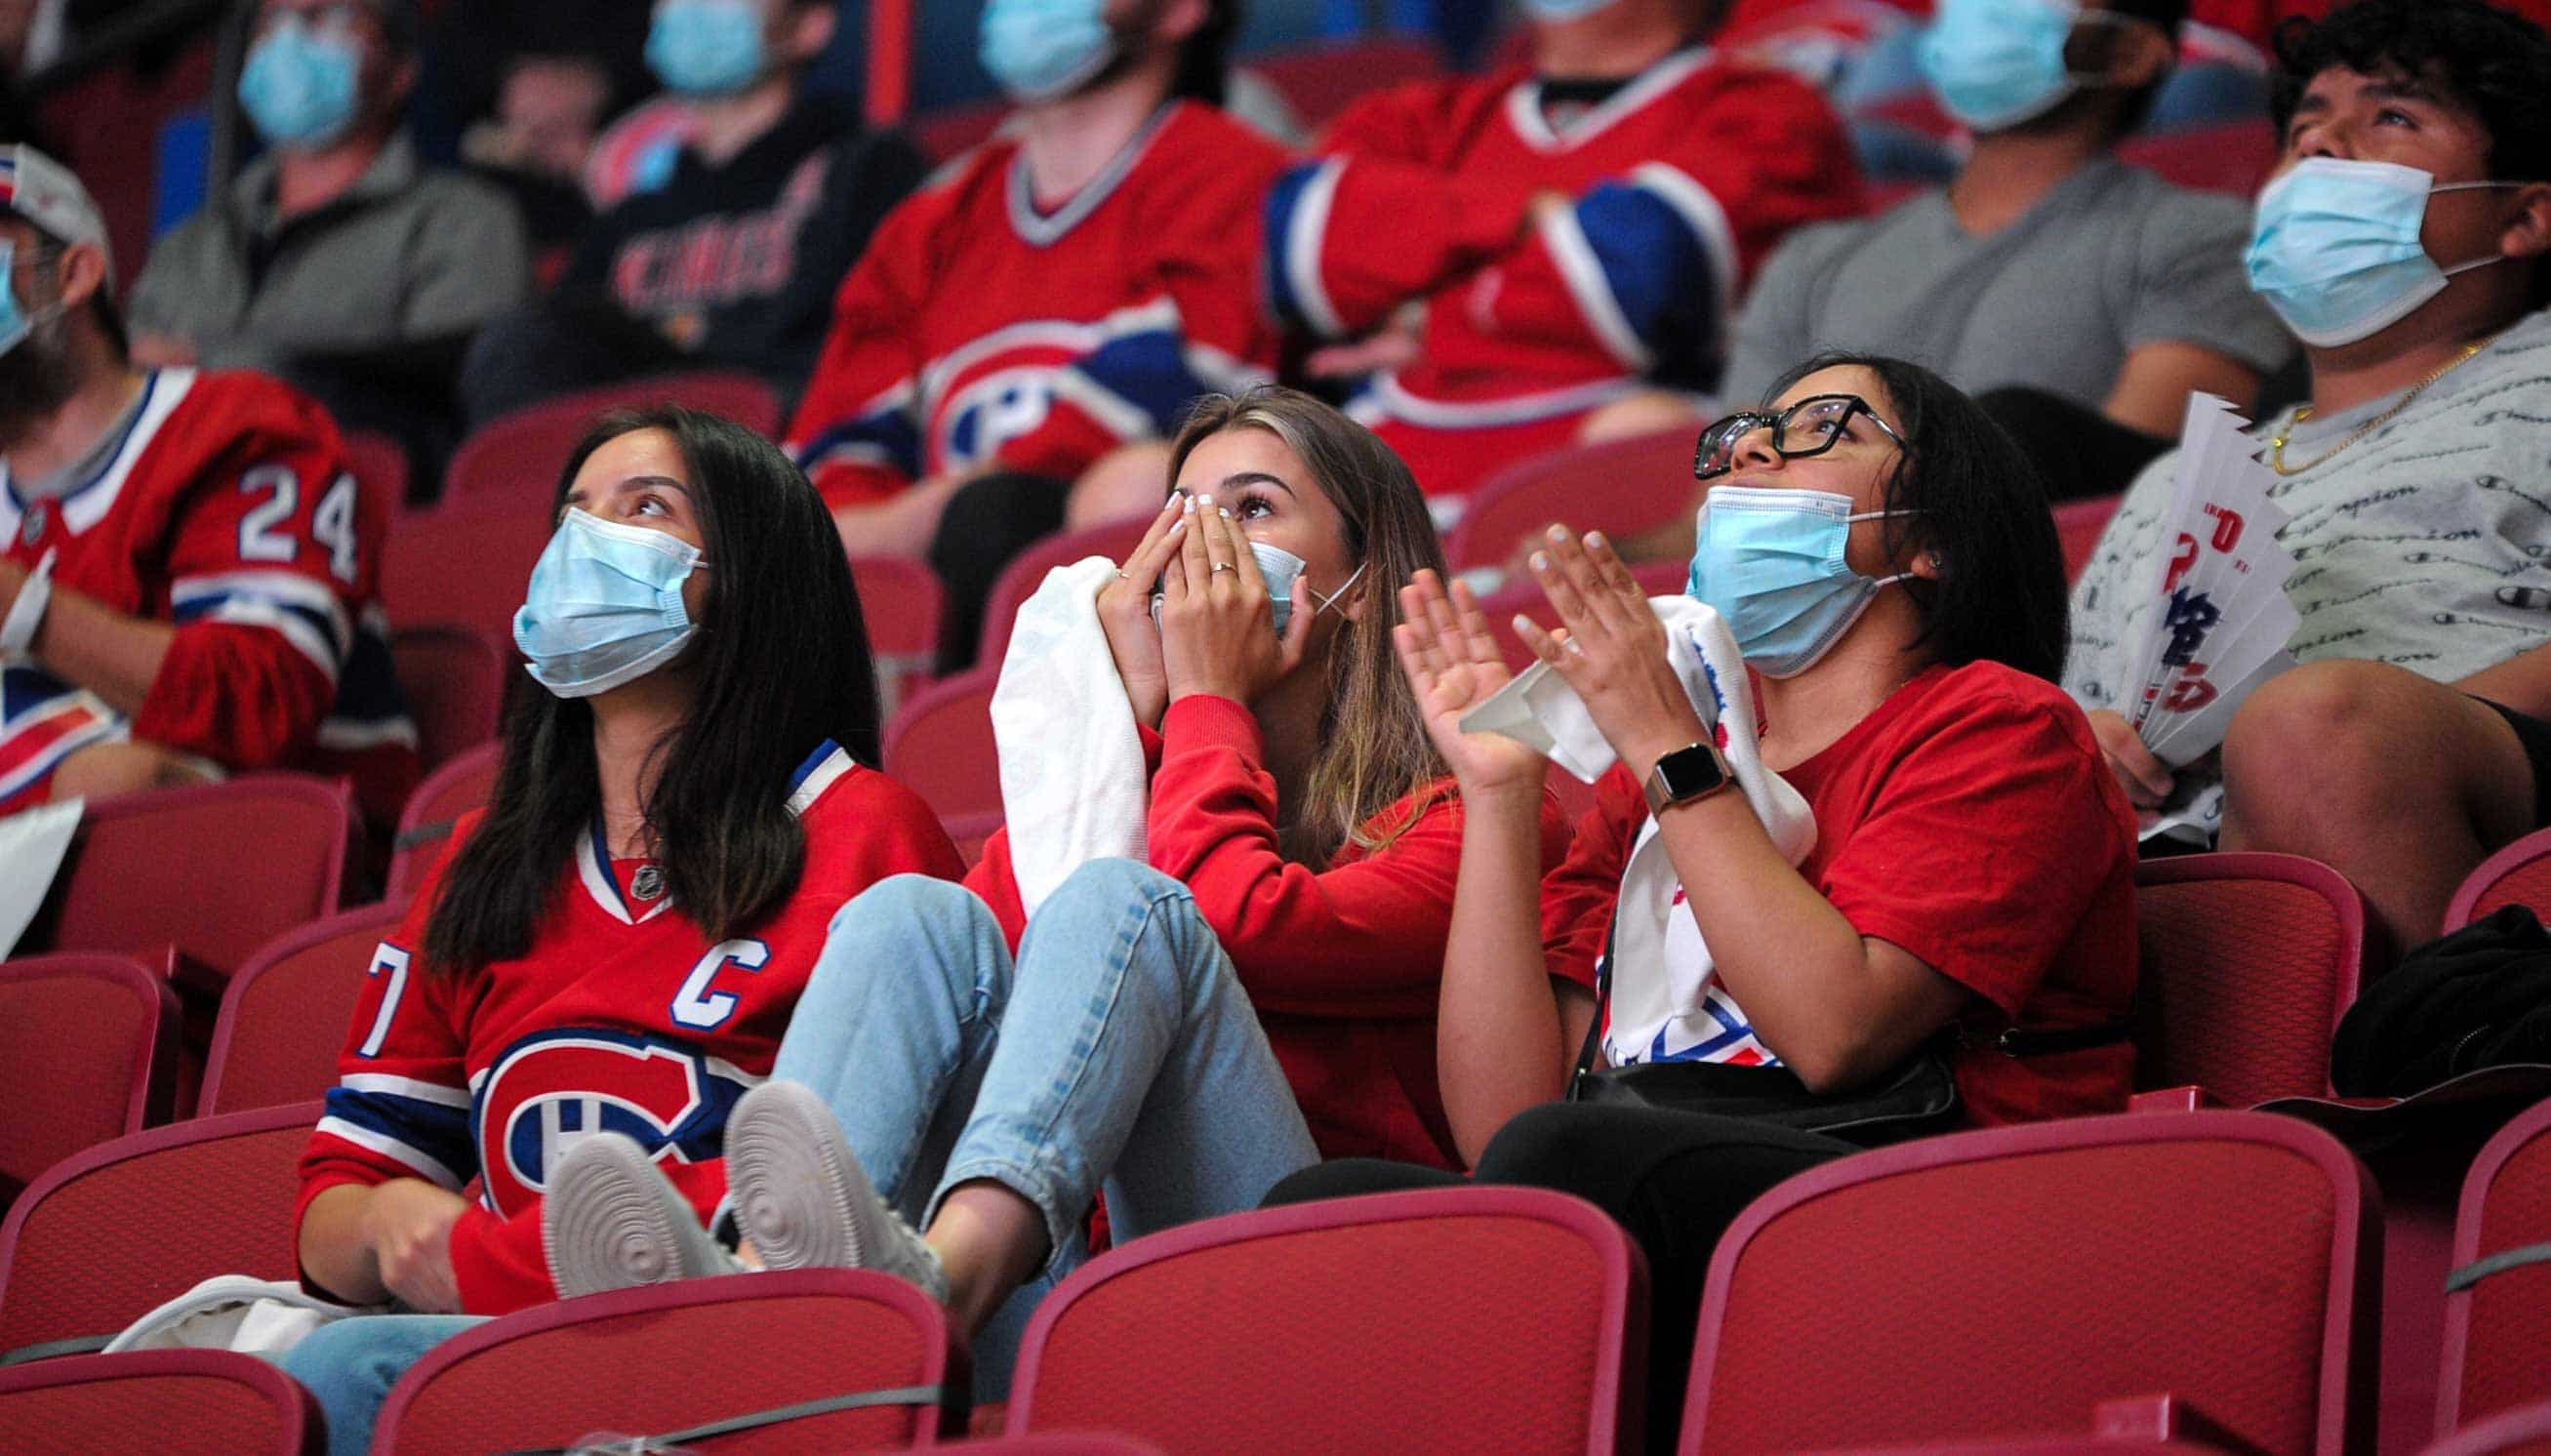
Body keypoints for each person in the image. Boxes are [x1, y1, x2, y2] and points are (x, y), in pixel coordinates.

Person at [535, 386, 1571, 1389]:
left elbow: (1231, 919)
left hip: (1306, 1301)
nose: (1200, 546)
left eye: (1252, 508)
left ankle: (932, 1286)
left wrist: (1204, 698)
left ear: (1364, 582)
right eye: (1180, 513)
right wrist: (1129, 724)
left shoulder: (1467, 813)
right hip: (1083, 1288)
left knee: (1126, 904)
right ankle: (759, 1288)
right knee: (917, 916)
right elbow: (1013, 958)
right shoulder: (1150, 775)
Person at [1273, 352, 2141, 1448]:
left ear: (1934, 543)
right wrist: (1500, 792)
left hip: (1943, 1208)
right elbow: (1502, 1121)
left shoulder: (2000, 727)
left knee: (1565, 1164)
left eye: (1825, 426)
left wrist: (1666, 745)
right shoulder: (1652, 777)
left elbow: (1837, 1031)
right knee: (1319, 1211)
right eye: (1743, 433)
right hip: (1661, 1175)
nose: (1755, 449)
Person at [277, 404, 962, 1455]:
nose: (588, 541)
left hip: (769, 1340)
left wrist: (514, 1253)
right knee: (323, 1378)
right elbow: (336, 1201)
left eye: (644, 509)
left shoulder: (862, 826)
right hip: (534, 1349)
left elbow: (878, 1174)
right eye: (573, 517)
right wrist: (382, 1225)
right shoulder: (477, 865)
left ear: (749, 573)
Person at [2067, 0, 2551, 956]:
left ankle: (2448, 1047)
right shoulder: (2176, 482)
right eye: (2302, 129)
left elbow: (2325, 729)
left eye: (2391, 116)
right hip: (2179, 856)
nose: (2323, 144)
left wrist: (2326, 736)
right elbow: (2084, 715)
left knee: (2309, 724)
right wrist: (2090, 752)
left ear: (2524, 215)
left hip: (2461, 774)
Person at [783, 0, 1289, 667]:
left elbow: (1186, 384)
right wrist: (888, 523)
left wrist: (944, 510)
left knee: (1089, 494)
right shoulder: (927, 226)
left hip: (1121, 588)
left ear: (1180, 11)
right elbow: (839, 456)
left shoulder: (1235, 172)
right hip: (951, 571)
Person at [1237, 0, 1862, 513]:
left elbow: (1640, 282)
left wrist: (1431, 306)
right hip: (1397, 438)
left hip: (1616, 457)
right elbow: (1299, 242)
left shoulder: (1768, 108)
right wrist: (1533, 216)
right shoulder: (1433, 114)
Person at [1721, 0, 2293, 506]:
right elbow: (1727, 493)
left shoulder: (2204, 240)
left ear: (2131, 51)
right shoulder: (1811, 260)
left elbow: (2136, 500)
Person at [0, 144, 416, 823]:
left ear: (75, 275)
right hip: (44, 858)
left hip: (282, 846)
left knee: (114, 779)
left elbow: (262, 702)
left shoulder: (236, 424)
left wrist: (22, 608)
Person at [457, 0, 928, 427]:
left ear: (810, 26)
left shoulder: (868, 172)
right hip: (632, 454)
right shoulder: (629, 218)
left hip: (778, 446)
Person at [125, 0, 530, 468]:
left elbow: (450, 415)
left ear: (402, 71)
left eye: (323, 16)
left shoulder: (463, 222)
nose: (288, 40)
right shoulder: (186, 247)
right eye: (271, 21)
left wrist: (216, 379)